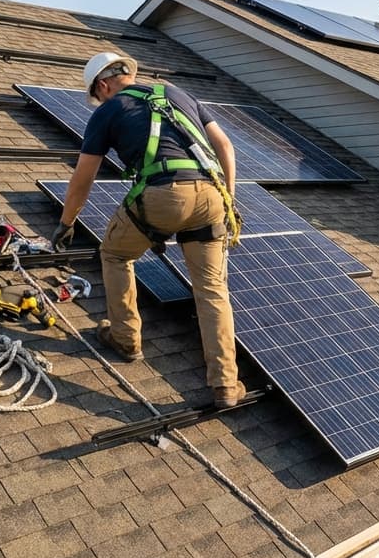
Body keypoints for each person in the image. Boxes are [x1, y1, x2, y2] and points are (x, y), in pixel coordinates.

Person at [53, 52, 244, 407]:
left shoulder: (109, 110)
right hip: (212, 196)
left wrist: (66, 223)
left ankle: (125, 338)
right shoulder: (177, 93)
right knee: (212, 289)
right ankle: (226, 384)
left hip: (163, 194)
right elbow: (225, 145)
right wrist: (229, 199)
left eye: (98, 95)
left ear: (103, 85)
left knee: (115, 254)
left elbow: (83, 177)